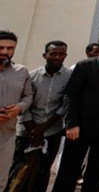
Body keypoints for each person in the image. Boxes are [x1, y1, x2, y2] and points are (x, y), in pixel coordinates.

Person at [52, 35, 99, 192]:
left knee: (96, 170)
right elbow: (70, 96)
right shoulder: (85, 66)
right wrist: (72, 124)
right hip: (80, 127)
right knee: (69, 169)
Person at [8, 41, 70, 192]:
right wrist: (33, 130)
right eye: (53, 54)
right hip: (27, 131)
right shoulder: (32, 76)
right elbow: (25, 102)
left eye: (61, 54)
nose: (57, 57)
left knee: (43, 170)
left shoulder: (70, 76)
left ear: (65, 56)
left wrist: (43, 128)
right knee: (19, 169)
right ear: (45, 55)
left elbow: (65, 104)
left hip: (52, 131)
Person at [0, 31, 33, 190]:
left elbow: (28, 96)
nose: (5, 52)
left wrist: (19, 107)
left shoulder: (21, 71)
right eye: (1, 47)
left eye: (10, 48)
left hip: (7, 134)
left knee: (2, 177)